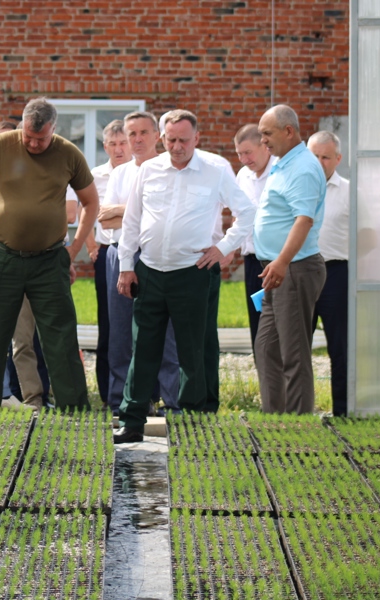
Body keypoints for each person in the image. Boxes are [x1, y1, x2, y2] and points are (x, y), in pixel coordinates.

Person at [0, 97, 100, 410]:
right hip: (3, 257)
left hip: (50, 258)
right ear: (22, 125)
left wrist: (74, 248)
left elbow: (91, 202)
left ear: (54, 129)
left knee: (60, 338)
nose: (33, 143)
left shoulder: (68, 152)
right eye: (28, 136)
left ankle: (75, 409)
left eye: (41, 139)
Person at [114, 110, 255, 443]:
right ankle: (133, 421)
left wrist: (223, 247)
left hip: (192, 273)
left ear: (197, 139)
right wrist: (125, 266)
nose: (177, 147)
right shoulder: (148, 170)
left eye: (183, 140)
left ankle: (193, 424)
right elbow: (132, 221)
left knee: (193, 351)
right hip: (149, 271)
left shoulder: (215, 170)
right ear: (162, 139)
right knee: (143, 348)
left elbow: (246, 211)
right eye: (171, 139)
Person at [101, 111, 180, 415]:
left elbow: (165, 219)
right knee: (121, 332)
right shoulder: (120, 173)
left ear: (157, 136)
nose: (136, 140)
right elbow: (105, 218)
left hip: (155, 257)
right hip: (120, 253)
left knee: (163, 331)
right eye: (130, 134)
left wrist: (127, 214)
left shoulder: (168, 170)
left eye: (143, 133)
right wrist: (137, 211)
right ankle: (124, 399)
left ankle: (167, 399)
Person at [254, 104, 327, 415]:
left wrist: (282, 262)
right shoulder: (284, 163)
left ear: (289, 131)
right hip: (277, 270)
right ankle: (274, 420)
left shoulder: (303, 168)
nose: (263, 141)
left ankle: (298, 428)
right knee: (267, 348)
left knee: (293, 353)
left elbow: (303, 220)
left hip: (293, 270)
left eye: (267, 134)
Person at [83, 119, 129, 405]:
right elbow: (88, 214)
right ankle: (107, 389)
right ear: (105, 147)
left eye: (122, 142)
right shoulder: (95, 175)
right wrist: (90, 247)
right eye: (112, 144)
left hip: (133, 249)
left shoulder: (139, 172)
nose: (118, 148)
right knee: (109, 323)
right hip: (105, 251)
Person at [308, 130, 349, 416]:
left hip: (336, 273)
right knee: (295, 348)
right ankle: (296, 413)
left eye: (326, 157)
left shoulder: (350, 192)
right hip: (299, 273)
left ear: (338, 159)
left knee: (340, 347)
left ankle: (343, 411)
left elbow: (369, 235)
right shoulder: (293, 188)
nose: (320, 162)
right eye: (314, 156)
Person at [234, 123, 278, 349]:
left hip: (279, 261)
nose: (244, 159)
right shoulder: (242, 176)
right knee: (258, 325)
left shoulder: (280, 171)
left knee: (280, 326)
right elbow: (239, 218)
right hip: (252, 261)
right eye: (239, 154)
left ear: (264, 146)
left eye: (248, 152)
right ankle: (265, 380)